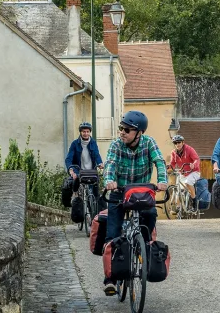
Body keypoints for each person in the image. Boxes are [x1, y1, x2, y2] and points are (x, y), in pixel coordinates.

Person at [101, 110, 168, 295]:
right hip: (119, 192)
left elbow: (159, 161)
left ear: (139, 133)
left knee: (151, 214)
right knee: (112, 233)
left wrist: (162, 180)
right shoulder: (116, 145)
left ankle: (143, 249)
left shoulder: (149, 143)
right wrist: (109, 181)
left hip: (141, 193)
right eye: (121, 128)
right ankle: (110, 278)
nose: (122, 132)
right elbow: (110, 164)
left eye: (127, 130)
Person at [65, 122, 103, 198]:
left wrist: (100, 163)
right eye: (84, 132)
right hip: (78, 170)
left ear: (90, 132)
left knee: (95, 192)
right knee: (76, 187)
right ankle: (76, 196)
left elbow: (97, 154)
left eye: (87, 132)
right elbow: (69, 158)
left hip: (91, 171)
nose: (86, 134)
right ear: (80, 132)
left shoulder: (93, 143)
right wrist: (71, 169)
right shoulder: (75, 144)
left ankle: (95, 202)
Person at [167, 134, 201, 206]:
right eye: (175, 143)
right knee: (178, 189)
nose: (177, 144)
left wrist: (194, 165)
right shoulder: (173, 152)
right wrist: (168, 167)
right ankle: (178, 208)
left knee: (188, 183)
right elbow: (172, 163)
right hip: (182, 173)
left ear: (183, 142)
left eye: (179, 142)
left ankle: (194, 199)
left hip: (193, 172)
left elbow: (197, 159)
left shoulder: (189, 149)